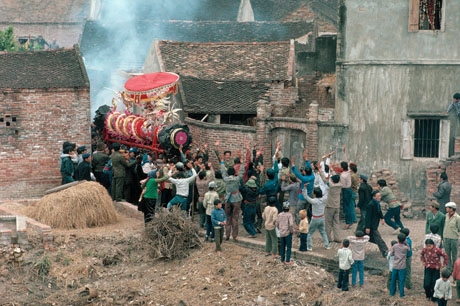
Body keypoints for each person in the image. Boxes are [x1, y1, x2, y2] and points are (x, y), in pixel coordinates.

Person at [220, 159, 244, 241]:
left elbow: (223, 171)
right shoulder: (237, 179)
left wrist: (222, 162)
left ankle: (227, 234)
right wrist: (242, 164)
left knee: (227, 217)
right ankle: (235, 236)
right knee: (235, 218)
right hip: (236, 199)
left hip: (227, 199)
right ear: (234, 172)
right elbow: (241, 172)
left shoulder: (225, 179)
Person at [302, 186, 331, 251]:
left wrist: (304, 189)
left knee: (309, 233)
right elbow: (327, 192)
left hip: (315, 218)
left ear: (315, 194)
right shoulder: (324, 199)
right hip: (322, 217)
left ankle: (309, 247)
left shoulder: (314, 201)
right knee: (323, 232)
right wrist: (327, 185)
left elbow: (306, 197)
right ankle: (327, 245)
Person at [421, 238, 448, 303]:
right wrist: (423, 262)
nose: (428, 247)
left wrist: (444, 264)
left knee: (434, 284)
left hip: (436, 269)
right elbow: (421, 255)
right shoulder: (425, 250)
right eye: (427, 246)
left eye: (430, 246)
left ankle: (434, 297)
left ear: (433, 245)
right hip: (428, 268)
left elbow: (445, 255)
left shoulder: (437, 250)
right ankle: (428, 295)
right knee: (426, 284)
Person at [291, 151, 315, 222]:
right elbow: (309, 167)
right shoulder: (312, 176)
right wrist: (306, 159)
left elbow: (297, 174)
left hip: (302, 198)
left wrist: (292, 164)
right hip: (309, 197)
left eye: (304, 171)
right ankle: (306, 224)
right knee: (305, 211)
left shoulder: (304, 179)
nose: (303, 171)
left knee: (298, 212)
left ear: (305, 172)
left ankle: (300, 226)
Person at [365, 190, 389, 257]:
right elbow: (368, 217)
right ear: (374, 197)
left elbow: (379, 211)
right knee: (378, 238)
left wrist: (382, 218)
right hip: (372, 225)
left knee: (371, 238)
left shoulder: (377, 203)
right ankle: (385, 251)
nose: (380, 197)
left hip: (375, 223)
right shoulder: (370, 205)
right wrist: (368, 227)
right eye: (378, 196)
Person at [322, 173, 342, 243]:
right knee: (336, 223)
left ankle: (328, 238)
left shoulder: (331, 186)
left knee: (328, 223)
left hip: (330, 206)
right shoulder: (340, 185)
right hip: (337, 206)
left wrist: (321, 171)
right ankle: (337, 238)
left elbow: (325, 180)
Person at [389, 233, 410, 298]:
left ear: (398, 239)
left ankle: (392, 293)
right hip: (402, 266)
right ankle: (401, 294)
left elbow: (391, 254)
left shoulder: (394, 246)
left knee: (393, 280)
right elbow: (409, 249)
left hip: (395, 265)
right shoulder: (405, 248)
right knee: (401, 280)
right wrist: (406, 243)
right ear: (404, 240)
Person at [443, 202, 460, 273]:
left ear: (451, 209)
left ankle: (455, 269)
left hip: (454, 238)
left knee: (454, 255)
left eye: (447, 207)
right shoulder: (446, 216)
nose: (446, 209)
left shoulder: (458, 218)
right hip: (446, 237)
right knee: (447, 254)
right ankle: (448, 268)